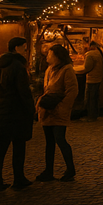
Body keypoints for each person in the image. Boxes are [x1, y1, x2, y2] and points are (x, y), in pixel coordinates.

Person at [0, 37, 35, 192]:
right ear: (16, 48)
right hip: (15, 111)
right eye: (24, 47)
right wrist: (30, 109)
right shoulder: (18, 67)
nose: (26, 50)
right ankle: (18, 178)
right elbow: (24, 92)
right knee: (18, 146)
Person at [36, 44, 79, 181]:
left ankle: (70, 169)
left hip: (59, 110)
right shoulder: (49, 70)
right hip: (48, 110)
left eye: (50, 54)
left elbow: (72, 91)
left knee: (60, 139)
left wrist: (62, 107)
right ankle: (49, 171)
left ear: (57, 56)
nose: (47, 56)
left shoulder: (67, 70)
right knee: (49, 142)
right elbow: (46, 89)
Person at [82, 41, 103, 121]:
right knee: (95, 97)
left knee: (90, 98)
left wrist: (82, 71)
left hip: (91, 78)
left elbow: (87, 67)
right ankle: (95, 114)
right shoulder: (99, 53)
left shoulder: (90, 54)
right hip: (98, 77)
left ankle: (90, 116)